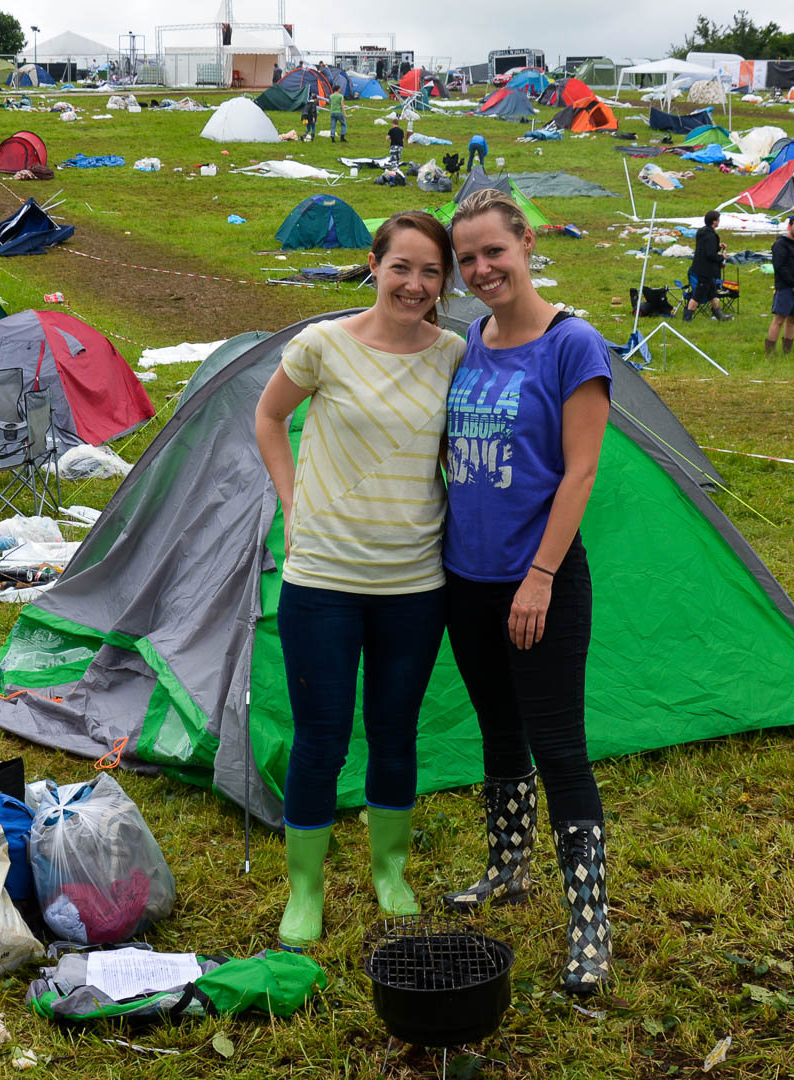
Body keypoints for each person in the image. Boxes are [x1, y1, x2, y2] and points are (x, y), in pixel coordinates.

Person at [253, 212, 465, 949]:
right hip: (323, 578)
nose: (414, 284)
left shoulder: (453, 354)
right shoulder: (322, 345)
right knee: (321, 738)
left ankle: (389, 872)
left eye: (431, 272)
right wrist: (291, 504)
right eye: (401, 266)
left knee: (395, 732)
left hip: (415, 581)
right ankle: (305, 889)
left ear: (444, 281)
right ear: (373, 265)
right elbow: (269, 419)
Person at [442, 188, 614, 995]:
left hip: (540, 581)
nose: (481, 270)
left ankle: (590, 925)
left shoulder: (572, 344)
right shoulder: (467, 344)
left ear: (526, 244)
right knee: (499, 731)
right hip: (466, 581)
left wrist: (540, 575)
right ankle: (508, 867)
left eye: (494, 252)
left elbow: (581, 471)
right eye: (467, 259)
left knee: (559, 746)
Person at [766, 215, 794, 355]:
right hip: (785, 287)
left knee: (793, 319)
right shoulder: (781, 244)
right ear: (789, 227)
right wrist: (793, 285)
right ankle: (770, 352)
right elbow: (780, 267)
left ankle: (787, 351)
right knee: (779, 319)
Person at [686, 209, 730, 322]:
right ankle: (687, 318)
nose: (719, 221)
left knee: (713, 294)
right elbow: (710, 254)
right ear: (714, 221)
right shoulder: (711, 235)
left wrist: (718, 246)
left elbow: (706, 248)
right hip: (705, 270)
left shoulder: (702, 232)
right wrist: (722, 257)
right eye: (718, 219)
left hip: (702, 268)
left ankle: (720, 316)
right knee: (698, 296)